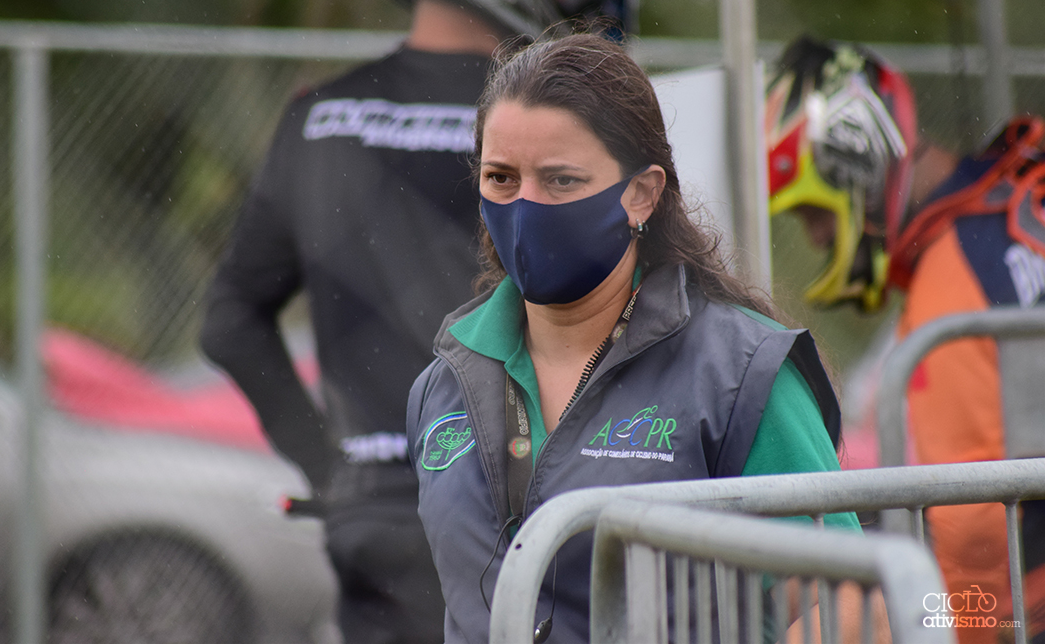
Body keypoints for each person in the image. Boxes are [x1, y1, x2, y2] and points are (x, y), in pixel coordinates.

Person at [199, 0, 646, 642]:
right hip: (530, 501)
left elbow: (229, 321)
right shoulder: (549, 130)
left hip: (377, 508)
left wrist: (330, 466)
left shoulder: (317, 118)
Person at [406, 32, 862, 644]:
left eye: (561, 180)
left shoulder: (741, 374)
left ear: (641, 193)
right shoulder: (444, 382)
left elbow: (845, 605)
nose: (526, 206)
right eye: (501, 177)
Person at [765, 35, 1045, 644]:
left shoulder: (954, 278)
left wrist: (956, 629)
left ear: (858, 164)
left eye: (814, 213)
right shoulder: (1016, 199)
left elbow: (975, 523)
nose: (816, 239)